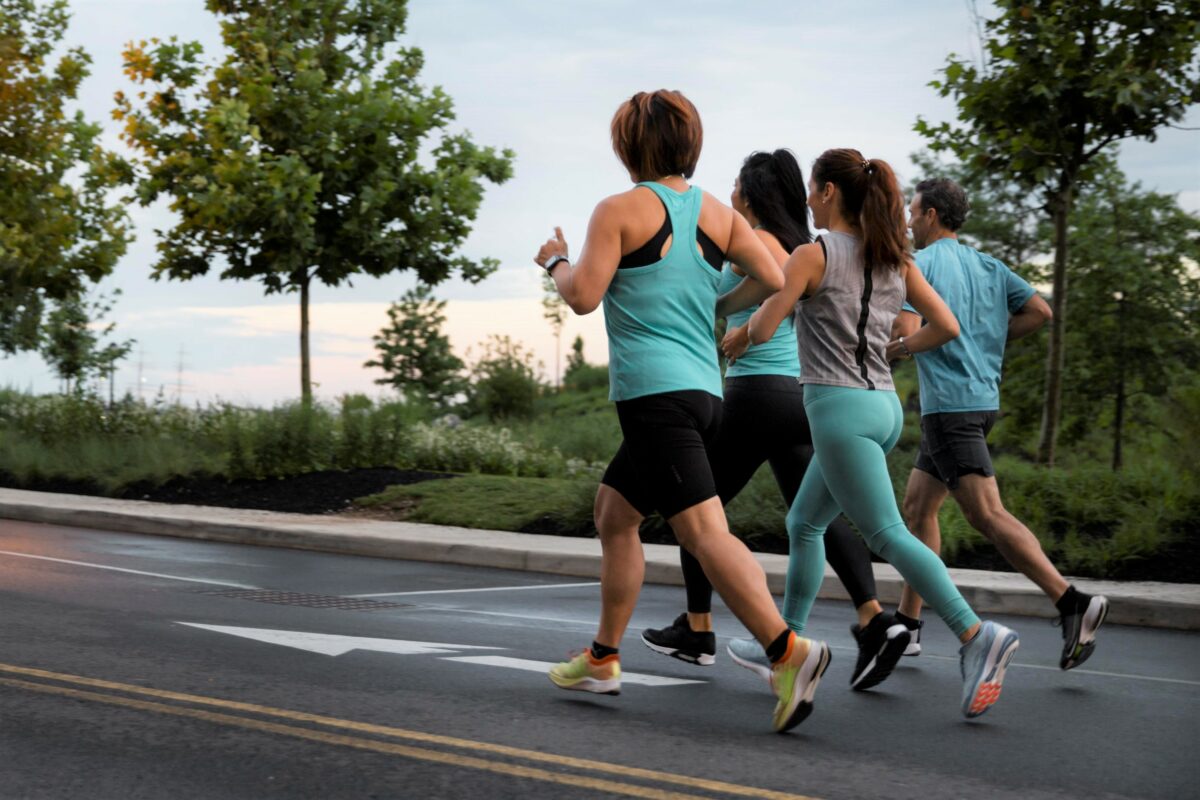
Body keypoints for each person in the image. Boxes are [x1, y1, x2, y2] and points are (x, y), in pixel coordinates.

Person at [533, 90, 831, 733]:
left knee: (702, 532)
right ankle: (605, 657)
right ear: (688, 145)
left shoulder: (617, 210)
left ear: (627, 146)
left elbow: (583, 296)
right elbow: (777, 276)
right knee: (615, 514)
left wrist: (555, 260)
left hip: (654, 398)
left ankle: (789, 652)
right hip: (703, 392)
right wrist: (719, 308)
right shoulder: (718, 215)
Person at [732, 147, 1019, 719]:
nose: (808, 199)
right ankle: (785, 641)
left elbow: (764, 325)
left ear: (830, 192)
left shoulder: (814, 255)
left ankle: (975, 635)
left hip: (838, 412)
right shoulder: (895, 257)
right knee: (804, 521)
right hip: (884, 408)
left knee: (887, 534)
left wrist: (730, 338)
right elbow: (947, 326)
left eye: (813, 189)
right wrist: (896, 349)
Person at [639, 149, 907, 692]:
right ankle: (873, 617)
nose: (731, 193)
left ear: (752, 193)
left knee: (696, 507)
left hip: (756, 395)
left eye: (737, 186)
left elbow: (726, 296)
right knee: (814, 518)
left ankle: (698, 630)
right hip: (799, 399)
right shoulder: (800, 245)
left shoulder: (758, 244)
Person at [891, 177, 1109, 669]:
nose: (907, 221)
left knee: (986, 514)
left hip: (949, 408)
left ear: (930, 216)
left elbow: (904, 333)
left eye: (913, 212)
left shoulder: (919, 266)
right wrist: (988, 338)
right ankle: (908, 623)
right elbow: (1040, 311)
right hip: (981, 402)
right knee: (918, 507)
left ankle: (1071, 600)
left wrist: (891, 345)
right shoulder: (988, 265)